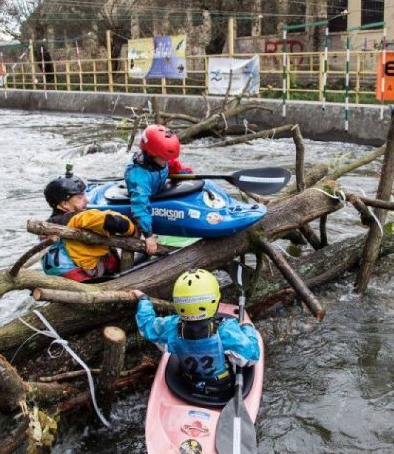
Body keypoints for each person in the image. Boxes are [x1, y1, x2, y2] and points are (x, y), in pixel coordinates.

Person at [132, 269, 260, 395]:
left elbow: (147, 325)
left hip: (189, 384)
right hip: (222, 387)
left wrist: (144, 300)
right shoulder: (225, 330)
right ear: (216, 302)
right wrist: (248, 328)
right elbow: (252, 356)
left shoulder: (172, 326)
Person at [41, 172, 136, 282]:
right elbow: (112, 222)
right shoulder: (79, 218)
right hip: (87, 280)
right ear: (65, 204)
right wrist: (133, 230)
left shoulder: (46, 226)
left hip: (59, 280)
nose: (86, 200)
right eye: (80, 197)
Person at [124, 124, 192, 255]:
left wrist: (185, 173)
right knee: (140, 213)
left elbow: (172, 164)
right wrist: (149, 236)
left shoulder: (162, 159)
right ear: (150, 154)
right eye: (163, 158)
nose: (165, 161)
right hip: (142, 197)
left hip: (156, 187)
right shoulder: (139, 176)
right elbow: (140, 206)